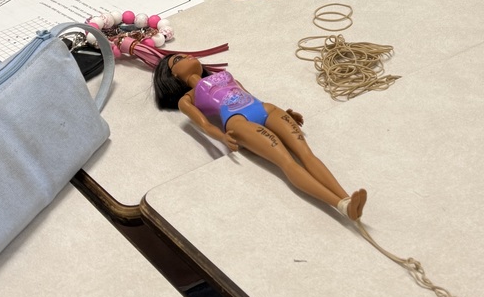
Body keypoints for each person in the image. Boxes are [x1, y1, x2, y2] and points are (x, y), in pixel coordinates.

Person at [154, 53, 368, 221]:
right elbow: (204, 124)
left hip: (266, 109)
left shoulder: (227, 76)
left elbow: (250, 96)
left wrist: (286, 112)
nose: (189, 57)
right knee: (286, 162)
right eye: (179, 59)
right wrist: (222, 137)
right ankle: (341, 206)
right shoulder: (187, 100)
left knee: (306, 154)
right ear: (172, 75)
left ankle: (347, 198)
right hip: (238, 121)